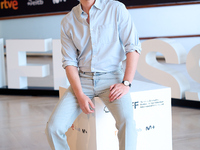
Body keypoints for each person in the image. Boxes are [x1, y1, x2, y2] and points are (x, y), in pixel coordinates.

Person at [45, 0, 142, 149]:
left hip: (112, 78)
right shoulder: (68, 21)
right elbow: (70, 62)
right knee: (53, 128)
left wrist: (126, 83)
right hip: (83, 80)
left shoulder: (116, 8)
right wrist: (79, 94)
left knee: (127, 122)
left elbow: (133, 47)